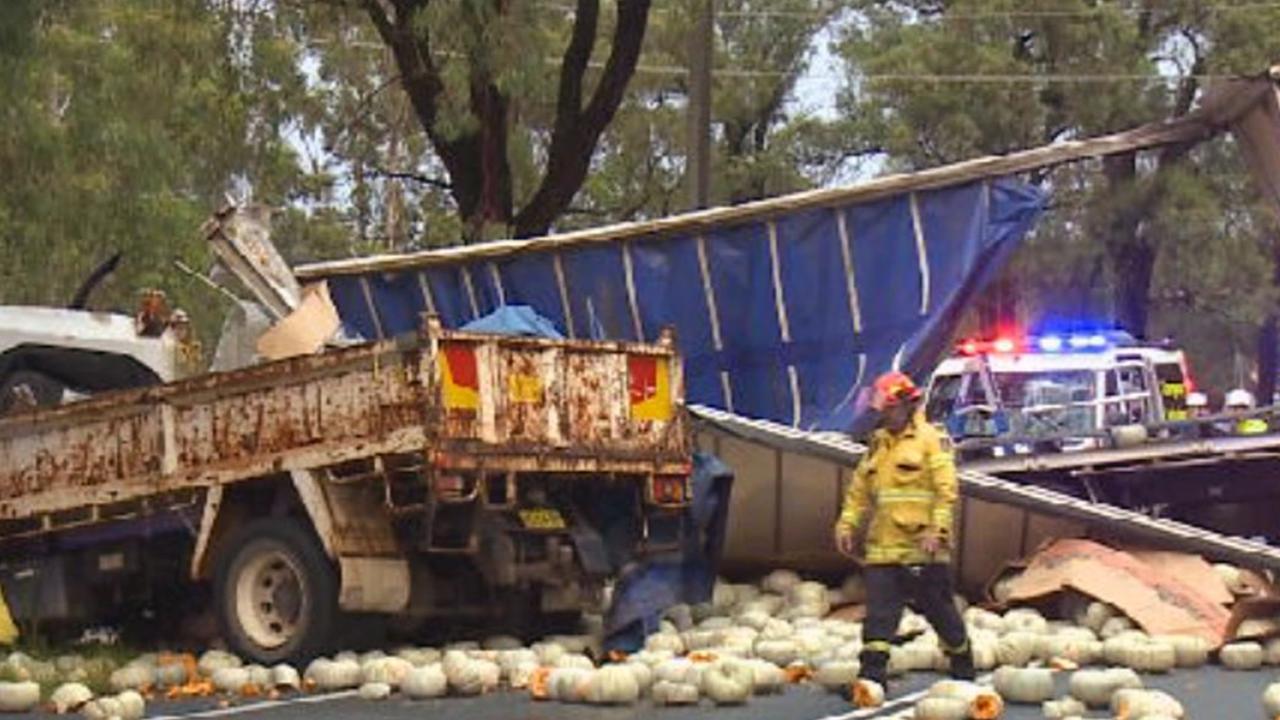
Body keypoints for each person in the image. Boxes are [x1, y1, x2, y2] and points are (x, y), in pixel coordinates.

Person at [834, 371, 974, 695]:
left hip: (923, 549)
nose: (885, 414)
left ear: (909, 406)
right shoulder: (878, 444)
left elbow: (946, 490)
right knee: (879, 617)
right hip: (883, 548)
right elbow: (859, 491)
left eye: (892, 408)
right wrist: (846, 524)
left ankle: (963, 665)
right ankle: (871, 679)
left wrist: (936, 530)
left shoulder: (931, 440)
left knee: (940, 611)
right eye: (884, 408)